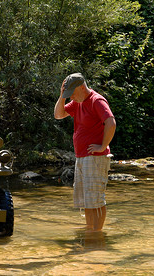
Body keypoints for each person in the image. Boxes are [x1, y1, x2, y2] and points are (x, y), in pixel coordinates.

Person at [54, 72, 116, 232]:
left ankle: (97, 233)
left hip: (95, 158)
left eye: (72, 93)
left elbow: (111, 122)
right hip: (81, 157)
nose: (71, 97)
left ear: (82, 87)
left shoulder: (97, 100)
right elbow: (58, 115)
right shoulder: (77, 102)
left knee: (96, 199)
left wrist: (102, 146)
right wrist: (62, 96)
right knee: (87, 200)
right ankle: (91, 229)